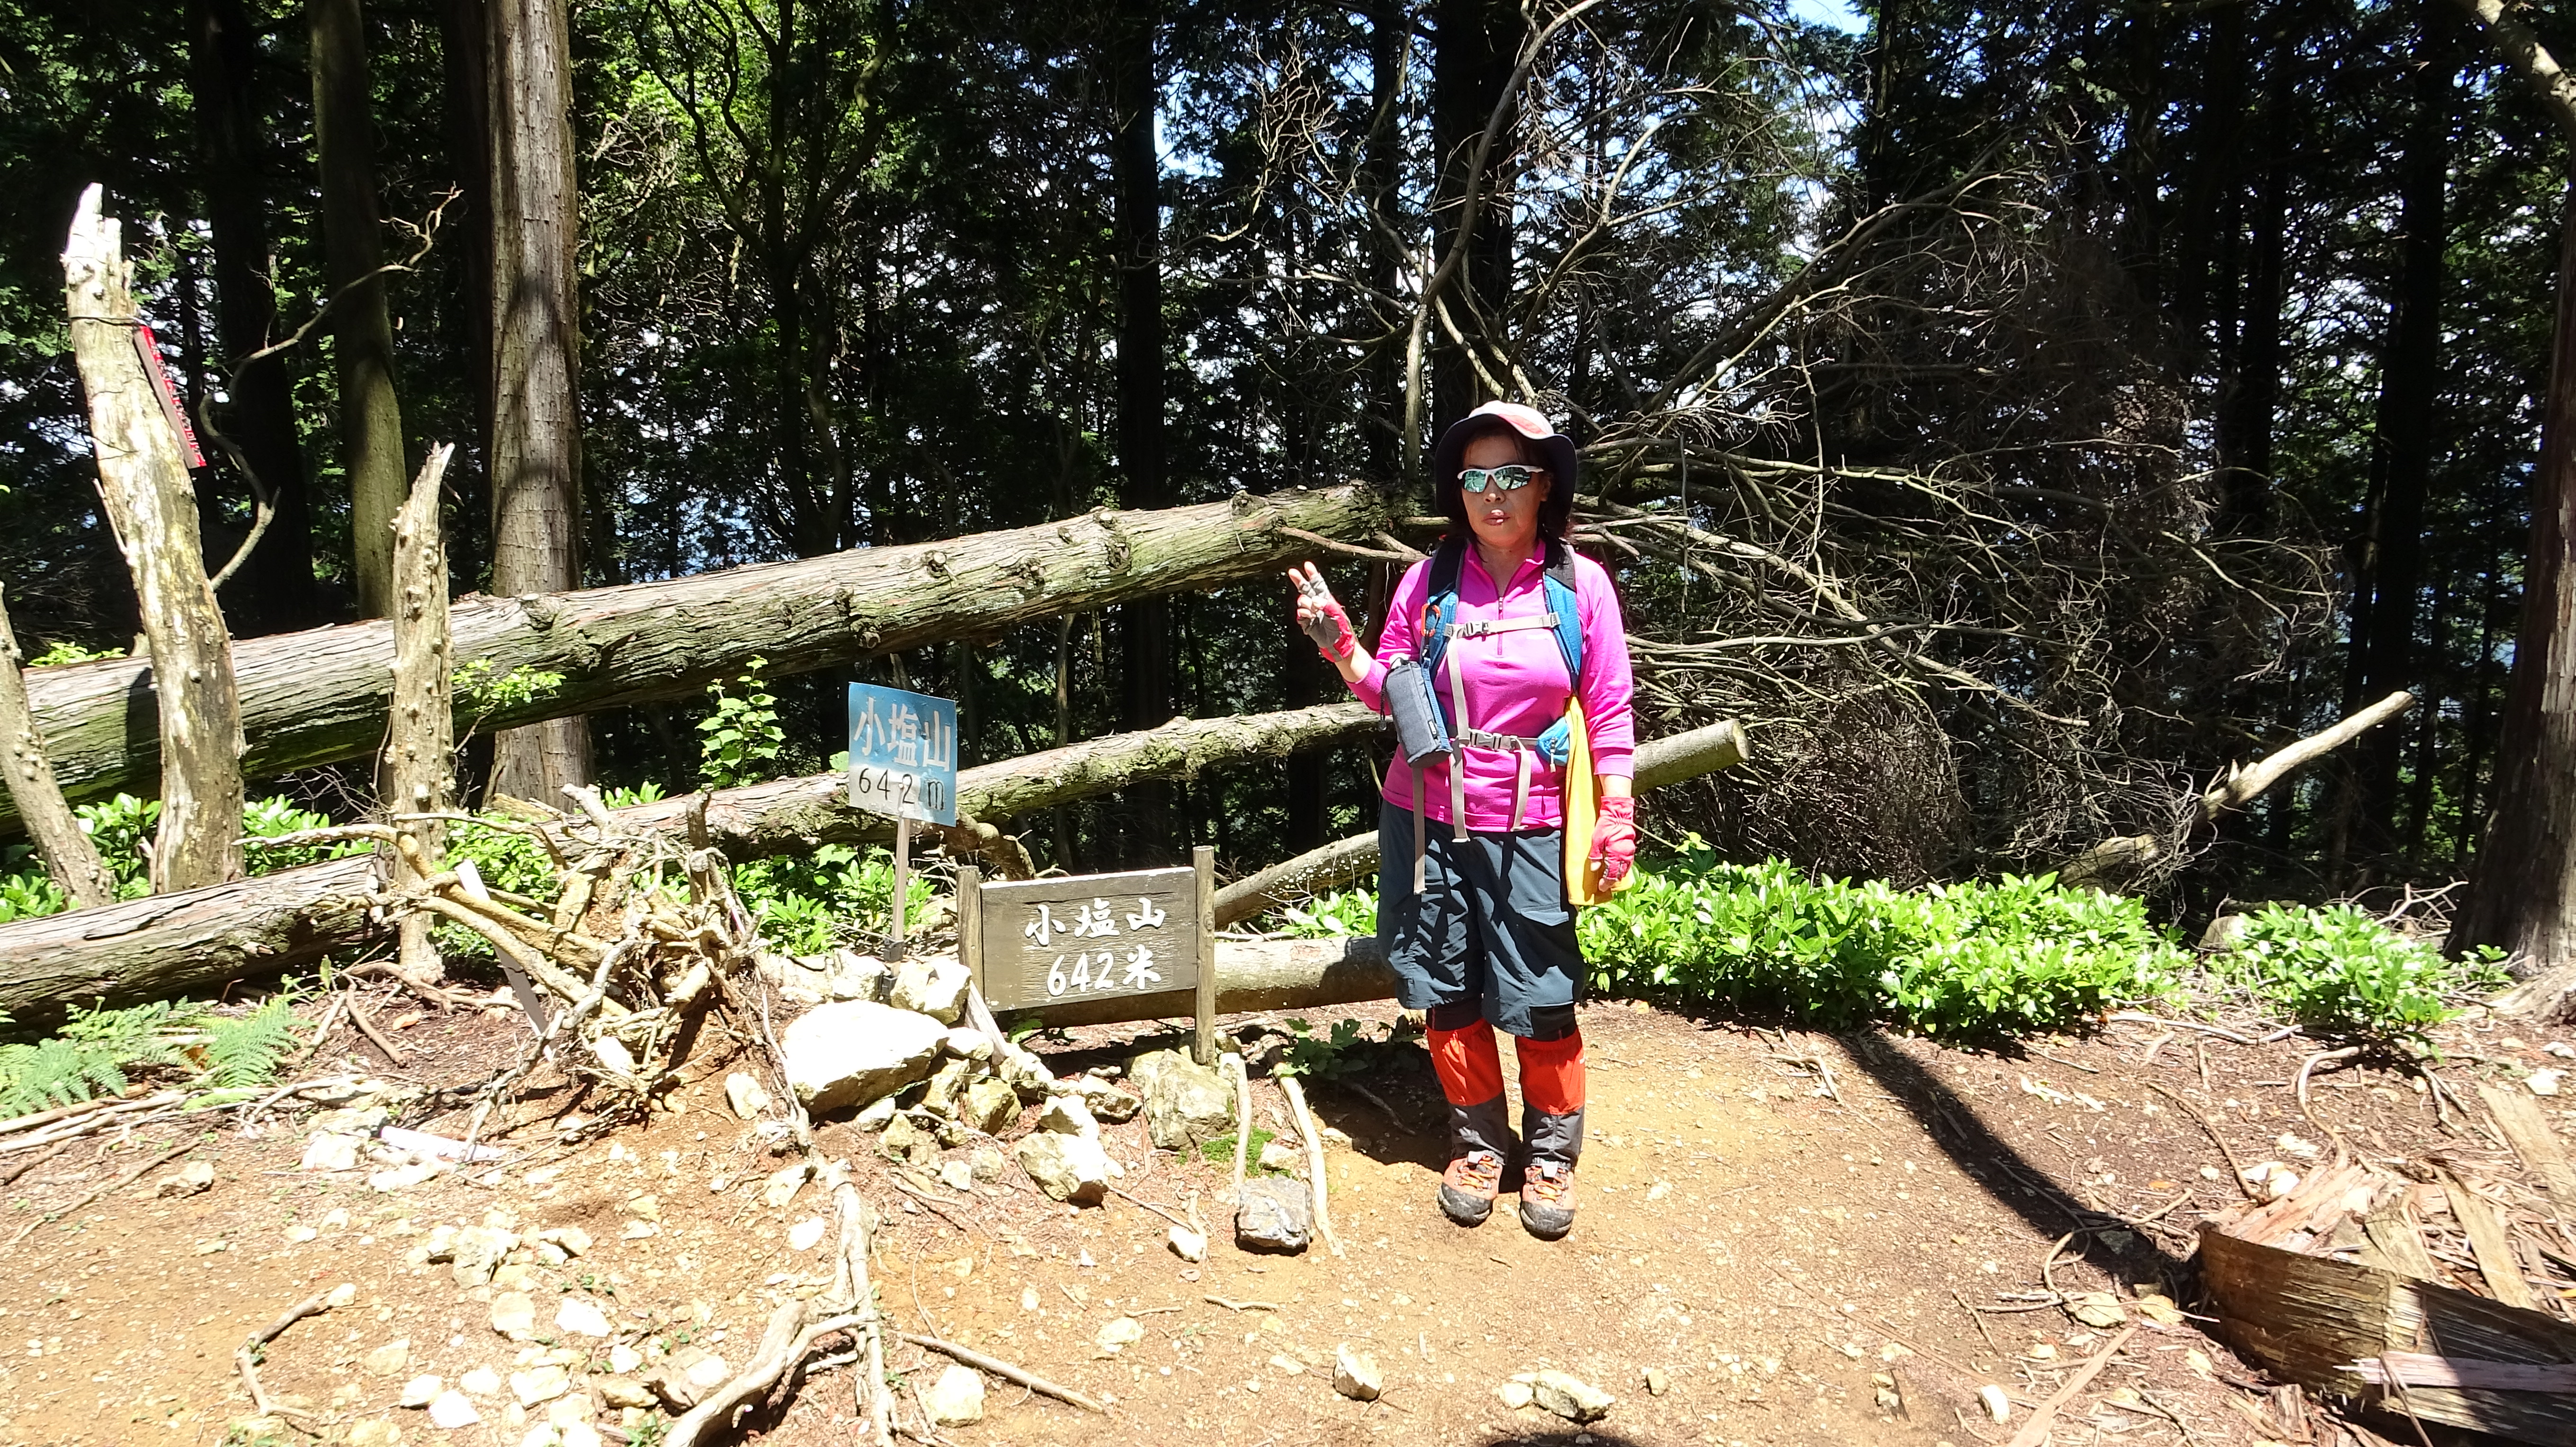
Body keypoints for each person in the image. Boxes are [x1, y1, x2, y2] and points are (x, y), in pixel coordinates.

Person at [1286, 400, 1637, 1240]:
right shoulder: (1429, 583)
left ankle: (1551, 1153)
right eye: (1476, 478)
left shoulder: (1580, 587)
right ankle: (1479, 1141)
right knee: (1444, 987)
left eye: (1512, 475)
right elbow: (1393, 692)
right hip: (1428, 819)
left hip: (1535, 823)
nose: (1493, 494)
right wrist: (1343, 649)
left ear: (1544, 487)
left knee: (1543, 997)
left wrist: (1616, 813)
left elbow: (1611, 708)